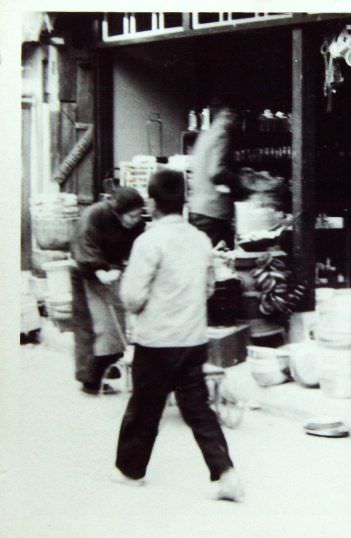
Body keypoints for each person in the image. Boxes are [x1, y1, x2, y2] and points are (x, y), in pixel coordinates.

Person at [114, 169, 243, 501]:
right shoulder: (200, 240)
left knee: (145, 407)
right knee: (198, 408)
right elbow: (210, 286)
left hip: (156, 340)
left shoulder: (149, 241)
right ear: (183, 201)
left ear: (152, 203)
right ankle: (225, 473)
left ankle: (131, 471)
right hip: (192, 339)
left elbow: (131, 296)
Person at [70, 187, 145, 395]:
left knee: (115, 322)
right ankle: (90, 380)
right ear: (118, 212)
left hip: (112, 271)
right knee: (93, 324)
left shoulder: (137, 225)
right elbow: (84, 244)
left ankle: (105, 372)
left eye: (139, 215)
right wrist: (98, 268)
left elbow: (137, 248)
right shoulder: (94, 215)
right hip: (86, 269)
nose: (135, 220)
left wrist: (120, 268)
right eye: (131, 216)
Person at [188, 107, 246, 248]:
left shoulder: (206, 135)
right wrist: (241, 181)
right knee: (218, 260)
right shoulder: (222, 134)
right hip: (213, 211)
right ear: (232, 116)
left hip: (198, 208)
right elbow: (216, 172)